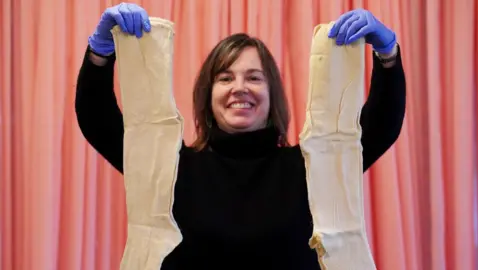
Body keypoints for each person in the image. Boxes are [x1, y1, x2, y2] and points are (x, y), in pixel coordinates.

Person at [75, 3, 406, 270]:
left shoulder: (312, 169)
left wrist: (387, 54)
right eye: (225, 77)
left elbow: (381, 124)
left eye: (254, 77)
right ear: (208, 93)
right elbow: (97, 120)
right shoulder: (170, 169)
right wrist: (100, 53)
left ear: (271, 93)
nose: (239, 88)